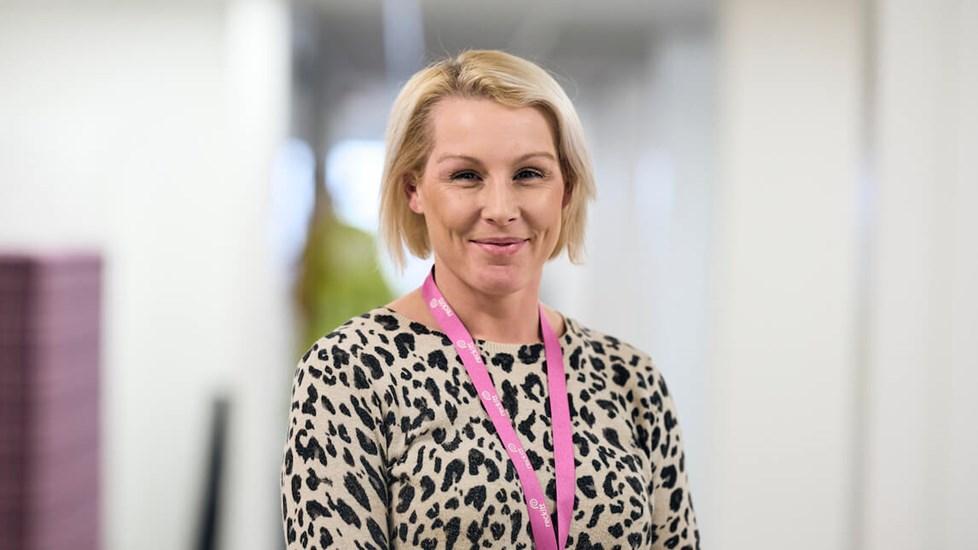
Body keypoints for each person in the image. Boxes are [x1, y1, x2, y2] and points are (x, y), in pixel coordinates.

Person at [280, 49, 700, 550]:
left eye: (529, 174)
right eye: (466, 176)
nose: (501, 209)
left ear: (565, 190)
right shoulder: (349, 373)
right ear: (414, 188)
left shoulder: (629, 378)